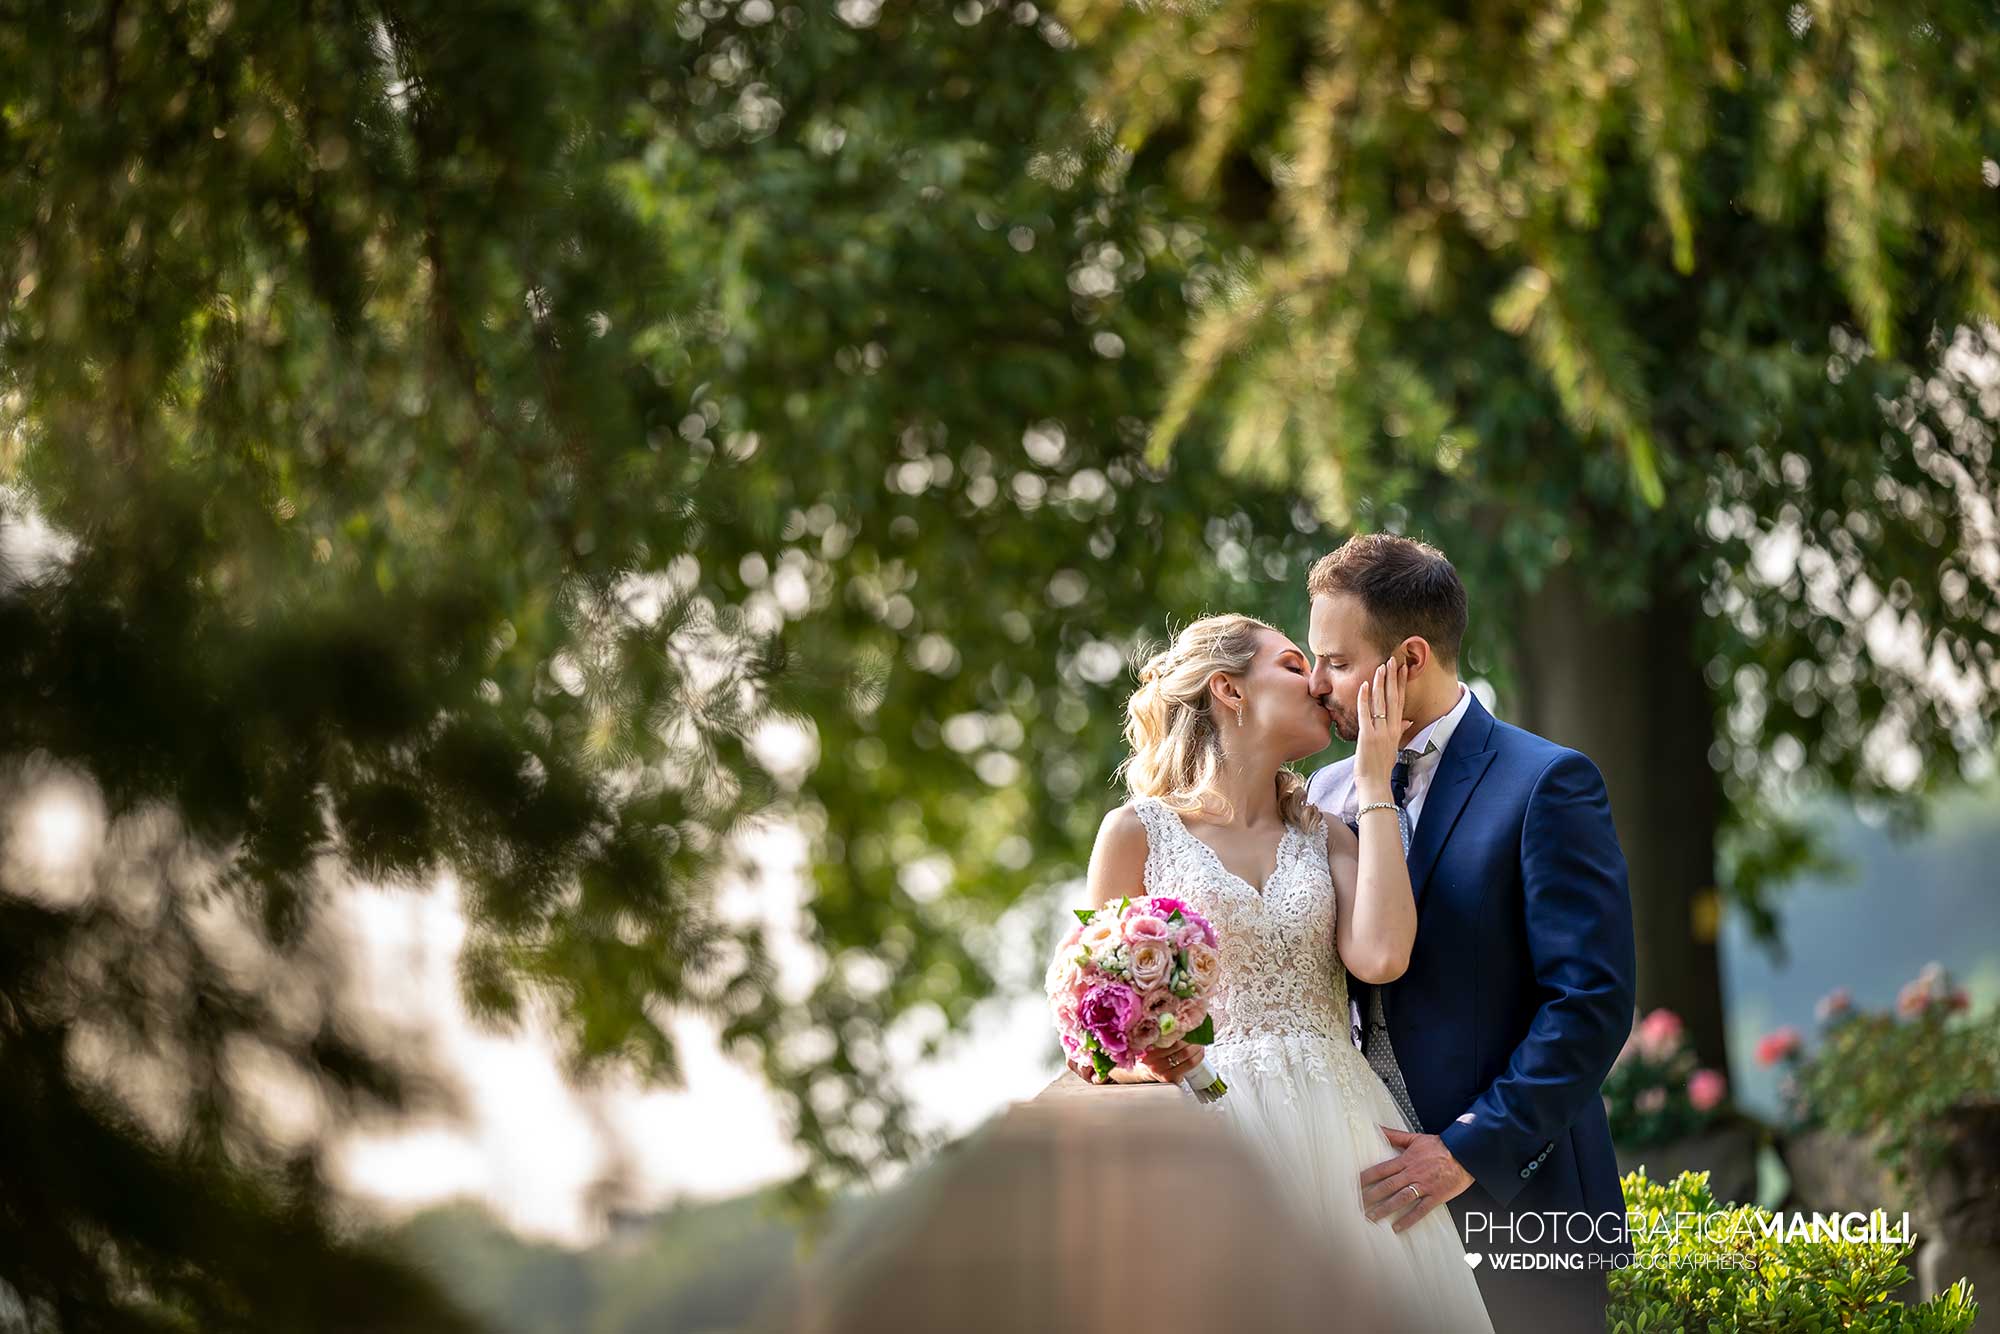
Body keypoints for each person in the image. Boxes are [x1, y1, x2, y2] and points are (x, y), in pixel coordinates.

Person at [1064, 611, 1494, 1333]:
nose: (1322, 684)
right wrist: (1155, 1065)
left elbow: (1382, 955)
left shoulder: (1328, 832)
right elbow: (1092, 1040)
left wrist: (1375, 779)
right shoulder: (1136, 833)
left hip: (1344, 1133)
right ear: (1229, 690)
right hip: (1213, 1137)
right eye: (1296, 665)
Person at [1300, 533, 1637, 1334]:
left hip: (1522, 1204)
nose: (1317, 687)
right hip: (1366, 1202)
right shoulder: (1323, 792)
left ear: (1408, 659)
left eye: (1337, 664)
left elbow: (1589, 1002)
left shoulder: (1546, 783)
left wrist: (1465, 1151)